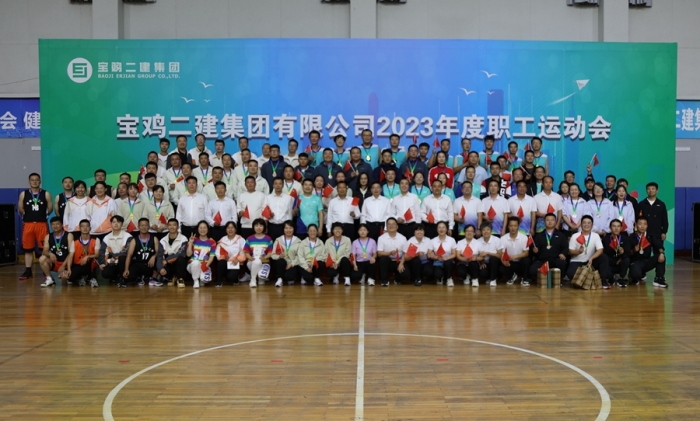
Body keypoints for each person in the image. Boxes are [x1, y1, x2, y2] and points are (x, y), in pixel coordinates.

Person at [18, 172, 53, 281]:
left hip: (41, 224)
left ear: (40, 181)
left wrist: (42, 215)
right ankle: (28, 271)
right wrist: (28, 214)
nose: (34, 182)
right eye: (32, 180)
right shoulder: (23, 194)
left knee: (44, 248)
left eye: (37, 180)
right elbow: (20, 208)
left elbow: (50, 208)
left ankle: (45, 270)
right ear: (29, 182)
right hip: (28, 224)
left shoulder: (46, 193)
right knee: (28, 249)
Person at [567, 215, 611, 288]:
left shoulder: (595, 235)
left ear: (592, 225)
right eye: (584, 223)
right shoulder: (575, 236)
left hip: (590, 262)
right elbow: (570, 252)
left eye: (589, 223)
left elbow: (600, 250)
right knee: (570, 274)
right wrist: (578, 252)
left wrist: (592, 258)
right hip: (577, 261)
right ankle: (585, 280)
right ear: (581, 225)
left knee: (604, 257)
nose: (586, 225)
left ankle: (603, 279)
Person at [628, 217, 667, 288]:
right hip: (635, 262)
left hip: (647, 261)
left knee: (661, 256)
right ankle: (634, 276)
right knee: (635, 274)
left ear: (647, 226)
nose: (642, 226)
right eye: (640, 224)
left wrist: (662, 253)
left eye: (645, 224)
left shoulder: (650, 236)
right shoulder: (631, 237)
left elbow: (659, 245)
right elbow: (627, 253)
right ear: (636, 225)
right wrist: (634, 250)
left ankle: (659, 279)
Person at [528, 213, 568, 280]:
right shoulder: (539, 236)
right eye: (547, 220)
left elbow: (565, 247)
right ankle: (542, 280)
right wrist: (535, 250)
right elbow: (534, 248)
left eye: (552, 220)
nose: (550, 222)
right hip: (542, 260)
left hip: (555, 259)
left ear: (555, 222)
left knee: (562, 263)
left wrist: (563, 253)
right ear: (544, 222)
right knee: (532, 270)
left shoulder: (561, 235)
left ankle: (559, 280)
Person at [121, 218, 159, 288]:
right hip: (138, 264)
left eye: (146, 225)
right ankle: (139, 277)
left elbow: (159, 252)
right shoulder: (134, 240)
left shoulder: (154, 239)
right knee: (130, 278)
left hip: (150, 264)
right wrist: (126, 269)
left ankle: (152, 277)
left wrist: (154, 256)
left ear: (149, 227)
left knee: (158, 260)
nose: (144, 227)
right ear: (138, 227)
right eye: (142, 225)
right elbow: (129, 255)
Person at [38, 216, 74, 287]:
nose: (55, 226)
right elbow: (44, 251)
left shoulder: (69, 235)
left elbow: (71, 253)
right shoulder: (48, 236)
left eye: (57, 224)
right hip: (55, 262)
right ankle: (49, 279)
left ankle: (72, 276)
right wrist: (50, 254)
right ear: (51, 226)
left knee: (67, 279)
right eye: (53, 224)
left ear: (62, 225)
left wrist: (63, 266)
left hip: (67, 263)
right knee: (42, 258)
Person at [376, 218, 410, 287]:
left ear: (397, 226)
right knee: (383, 259)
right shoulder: (381, 238)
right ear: (386, 226)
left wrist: (401, 264)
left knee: (406, 274)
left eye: (393, 224)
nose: (391, 226)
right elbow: (379, 253)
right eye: (389, 224)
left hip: (399, 261)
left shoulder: (403, 238)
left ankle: (397, 278)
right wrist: (389, 253)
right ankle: (385, 281)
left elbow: (405, 253)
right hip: (388, 261)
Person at [98, 215, 131, 285]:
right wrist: (103, 263)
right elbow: (102, 251)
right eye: (114, 222)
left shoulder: (128, 236)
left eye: (118, 222)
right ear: (111, 224)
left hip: (124, 261)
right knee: (105, 274)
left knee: (122, 258)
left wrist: (114, 258)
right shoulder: (106, 237)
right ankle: (116, 278)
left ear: (122, 224)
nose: (116, 224)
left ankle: (123, 278)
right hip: (112, 261)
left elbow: (126, 251)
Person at [66, 219, 100, 287]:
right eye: (83, 226)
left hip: (90, 263)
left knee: (94, 261)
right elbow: (70, 256)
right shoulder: (74, 241)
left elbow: (97, 254)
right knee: (70, 279)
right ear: (79, 228)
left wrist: (87, 257)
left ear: (90, 228)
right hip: (79, 264)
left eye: (87, 226)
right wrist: (69, 269)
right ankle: (81, 277)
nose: (85, 228)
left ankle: (92, 278)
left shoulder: (96, 239)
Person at [157, 218, 188, 287]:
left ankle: (180, 278)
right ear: (167, 227)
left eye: (174, 225)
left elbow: (182, 254)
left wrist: (167, 260)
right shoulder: (162, 240)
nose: (172, 227)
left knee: (181, 259)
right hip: (168, 264)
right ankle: (171, 277)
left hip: (177, 262)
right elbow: (159, 256)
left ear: (178, 227)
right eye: (170, 225)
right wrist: (160, 268)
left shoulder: (183, 238)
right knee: (160, 263)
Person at [500, 217, 531, 286]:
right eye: (511, 226)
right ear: (508, 226)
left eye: (515, 226)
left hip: (520, 262)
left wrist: (515, 256)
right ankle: (511, 277)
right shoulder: (503, 238)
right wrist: (503, 261)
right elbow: (502, 253)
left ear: (518, 226)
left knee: (526, 260)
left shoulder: (524, 237)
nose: (513, 228)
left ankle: (524, 279)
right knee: (501, 268)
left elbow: (526, 253)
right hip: (510, 263)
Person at [185, 221, 216, 289]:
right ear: (198, 229)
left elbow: (211, 257)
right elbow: (188, 254)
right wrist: (190, 243)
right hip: (192, 265)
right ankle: (196, 280)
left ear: (208, 229)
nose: (202, 230)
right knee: (196, 262)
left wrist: (205, 266)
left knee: (205, 280)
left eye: (204, 228)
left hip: (204, 265)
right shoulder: (193, 239)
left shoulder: (212, 242)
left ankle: (201, 278)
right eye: (200, 228)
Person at [243, 218, 273, 287]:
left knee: (261, 281)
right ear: (253, 227)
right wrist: (250, 258)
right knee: (257, 261)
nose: (258, 228)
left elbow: (270, 253)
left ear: (264, 227)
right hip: (251, 262)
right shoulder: (249, 238)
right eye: (256, 225)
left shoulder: (268, 239)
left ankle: (260, 277)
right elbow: (246, 252)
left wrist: (264, 257)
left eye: (261, 226)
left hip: (265, 263)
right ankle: (253, 280)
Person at [602, 219, 631, 287]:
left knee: (626, 260)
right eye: (614, 226)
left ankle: (621, 278)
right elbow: (604, 254)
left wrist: (622, 253)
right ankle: (611, 278)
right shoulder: (605, 239)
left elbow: (628, 255)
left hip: (620, 264)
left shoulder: (625, 239)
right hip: (609, 264)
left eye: (618, 226)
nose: (616, 228)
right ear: (610, 227)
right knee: (606, 272)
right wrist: (614, 262)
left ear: (621, 228)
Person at [271, 220, 300, 287]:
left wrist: (292, 264)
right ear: (283, 229)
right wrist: (279, 256)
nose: (288, 230)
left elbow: (299, 256)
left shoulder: (298, 241)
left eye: (290, 228)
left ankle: (289, 277)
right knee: (281, 262)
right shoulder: (278, 240)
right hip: (281, 264)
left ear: (294, 229)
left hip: (292, 264)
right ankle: (279, 279)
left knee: (289, 277)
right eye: (286, 228)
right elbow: (273, 255)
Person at [428, 221, 457, 286]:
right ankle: (440, 278)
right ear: (437, 229)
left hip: (448, 261)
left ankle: (449, 278)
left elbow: (454, 254)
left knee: (448, 263)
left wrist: (447, 258)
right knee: (438, 274)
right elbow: (429, 253)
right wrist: (434, 256)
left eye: (443, 227)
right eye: (439, 227)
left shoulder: (452, 240)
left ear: (446, 229)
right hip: (437, 261)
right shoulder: (432, 240)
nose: (441, 229)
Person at [475, 222, 504, 287]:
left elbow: (500, 256)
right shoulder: (478, 241)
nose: (486, 232)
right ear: (481, 231)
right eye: (484, 230)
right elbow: (478, 255)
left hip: (496, 263)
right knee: (483, 272)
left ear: (491, 231)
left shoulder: (497, 240)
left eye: (488, 229)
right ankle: (490, 278)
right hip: (485, 263)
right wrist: (482, 263)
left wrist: (488, 253)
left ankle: (493, 279)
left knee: (493, 258)